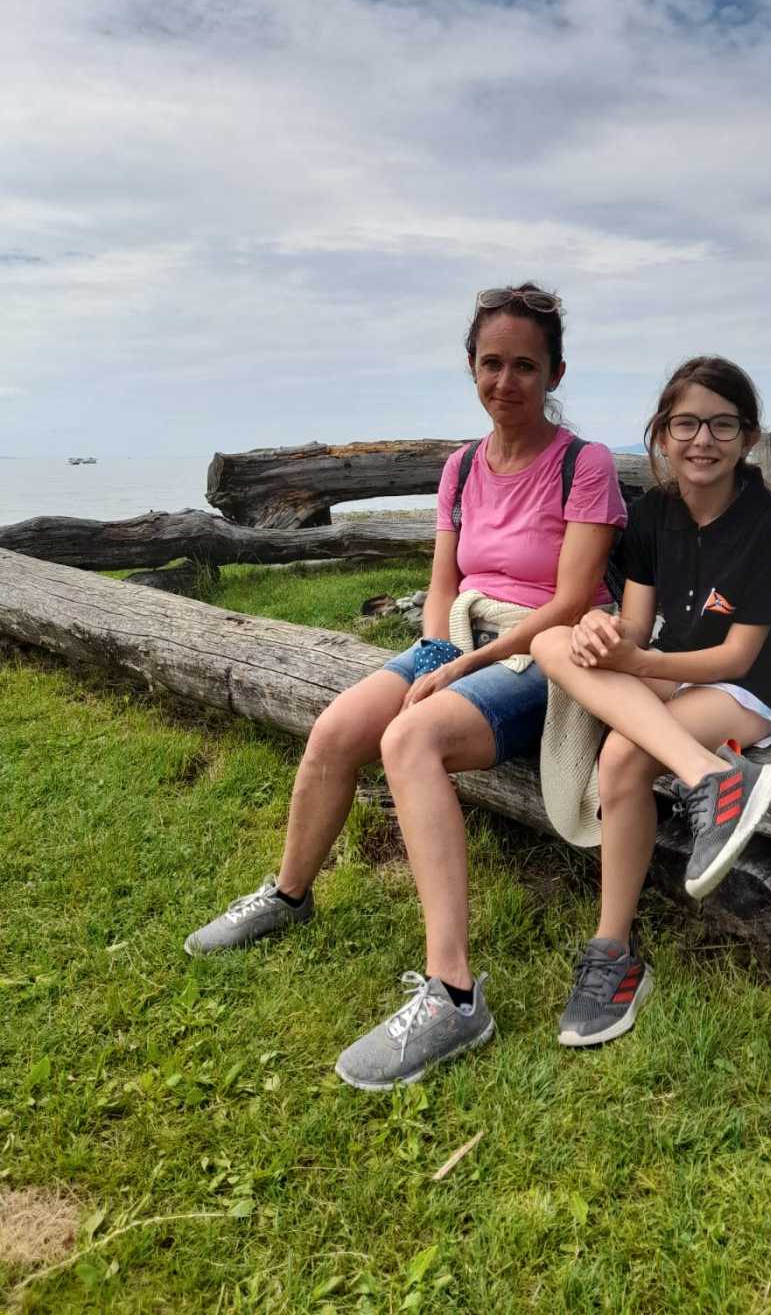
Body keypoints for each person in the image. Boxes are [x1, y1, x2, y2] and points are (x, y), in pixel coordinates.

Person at [184, 284, 627, 1089]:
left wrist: (461, 670)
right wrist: (434, 653)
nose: (505, 382)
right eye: (491, 363)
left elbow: (570, 601)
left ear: (555, 373)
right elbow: (444, 583)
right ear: (471, 367)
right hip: (462, 634)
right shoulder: (461, 468)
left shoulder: (582, 465)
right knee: (335, 731)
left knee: (409, 739)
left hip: (547, 653)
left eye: (525, 366)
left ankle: (453, 995)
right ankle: (289, 894)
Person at [532, 355, 771, 1048]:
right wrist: (602, 633)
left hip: (756, 690)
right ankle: (712, 778)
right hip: (678, 671)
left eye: (722, 425)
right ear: (662, 434)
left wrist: (639, 663)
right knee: (553, 641)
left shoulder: (770, 526)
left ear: (749, 437)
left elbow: (736, 660)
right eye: (687, 424)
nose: (703, 440)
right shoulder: (652, 515)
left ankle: (612, 953)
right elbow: (636, 630)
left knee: (623, 756)